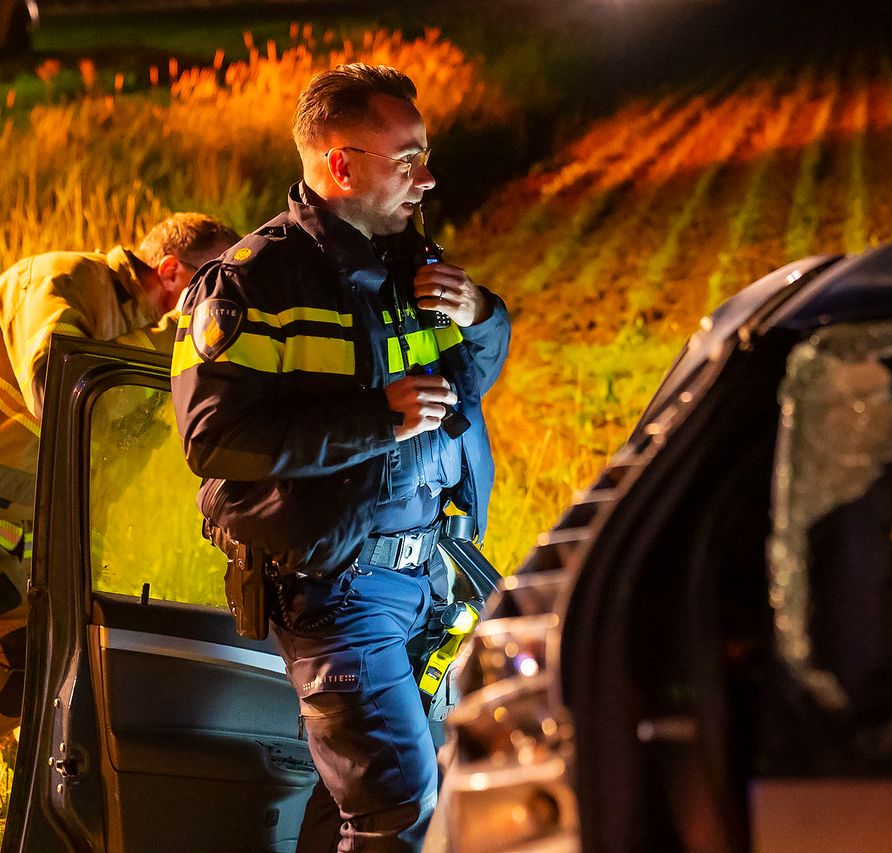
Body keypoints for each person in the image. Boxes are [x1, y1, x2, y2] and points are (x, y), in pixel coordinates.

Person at [170, 63, 510, 852]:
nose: (428, 178)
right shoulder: (252, 282)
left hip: (426, 582)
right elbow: (213, 436)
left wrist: (482, 313)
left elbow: (467, 386)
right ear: (341, 165)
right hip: (339, 590)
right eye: (408, 159)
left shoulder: (409, 263)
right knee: (402, 806)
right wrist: (375, 420)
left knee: (355, 803)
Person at [0, 212, 239, 735]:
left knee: (24, 695)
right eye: (212, 285)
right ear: (171, 271)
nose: (220, 304)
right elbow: (54, 390)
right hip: (10, 534)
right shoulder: (61, 279)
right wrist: (184, 335)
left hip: (37, 548)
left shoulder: (147, 338)